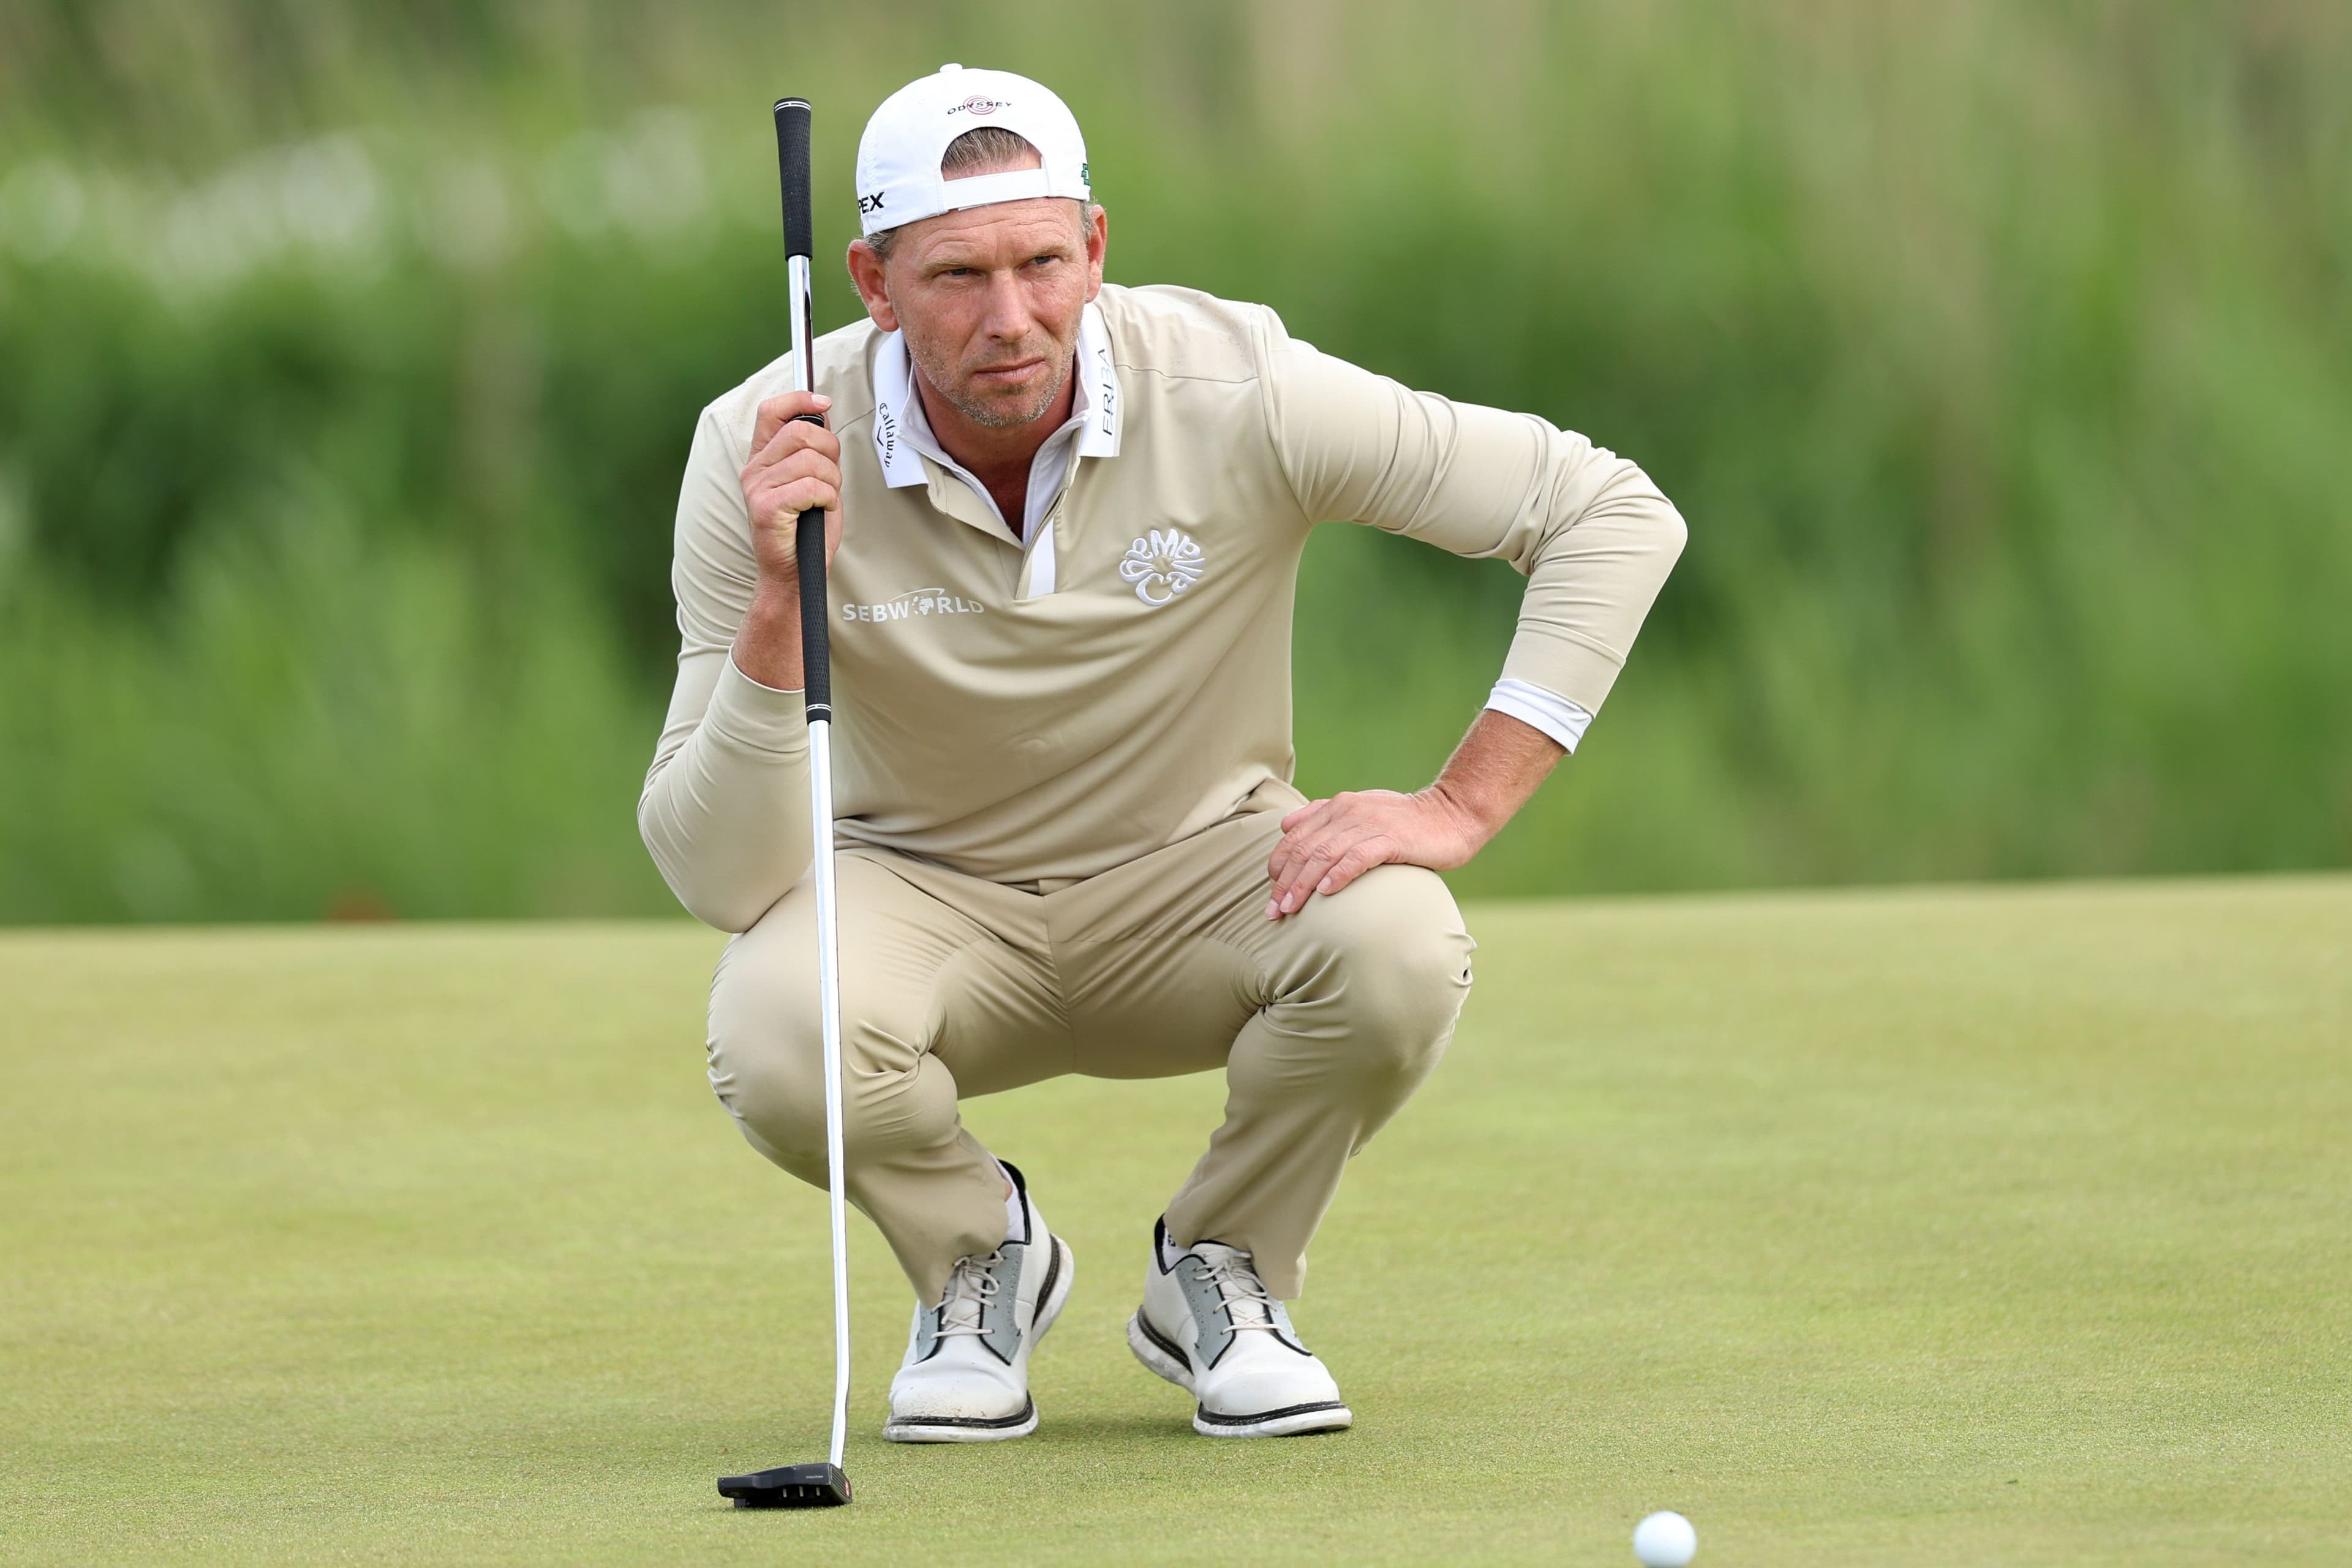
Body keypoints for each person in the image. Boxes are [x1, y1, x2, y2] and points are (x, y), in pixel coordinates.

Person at [639, 65, 1685, 1443]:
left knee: (1400, 941)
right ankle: (975, 1259)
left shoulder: (1234, 385)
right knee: (774, 1024)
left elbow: (1607, 511)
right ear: (873, 281)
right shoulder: (762, 444)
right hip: (919, 892)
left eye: (1041, 263)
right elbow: (718, 870)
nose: (1010, 319)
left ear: (1097, 250)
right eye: (956, 275)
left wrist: (1463, 801)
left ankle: (1223, 1267)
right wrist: (783, 600)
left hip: (1200, 877)